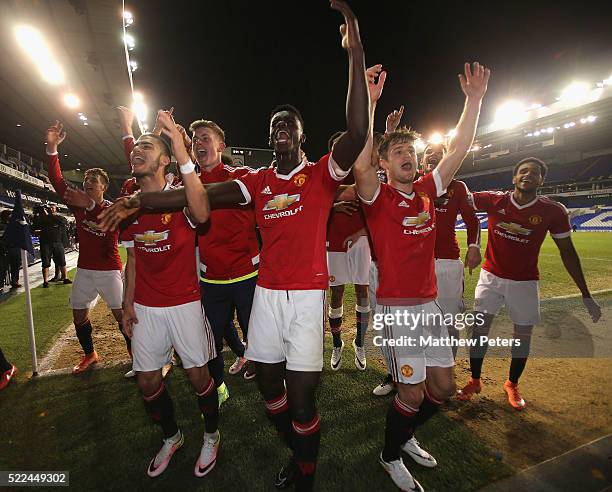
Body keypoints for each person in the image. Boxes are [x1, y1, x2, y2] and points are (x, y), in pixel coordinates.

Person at [99, 3, 369, 488]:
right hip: (265, 296)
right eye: (273, 127)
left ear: (303, 134)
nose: (280, 129)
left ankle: (304, 473)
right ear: (269, 140)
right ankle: (299, 449)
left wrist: (354, 50)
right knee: (269, 386)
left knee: (303, 398)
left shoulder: (322, 174)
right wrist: (140, 201)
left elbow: (358, 132)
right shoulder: (257, 181)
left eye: (288, 123)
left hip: (307, 298)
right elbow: (188, 196)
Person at [354, 62, 490, 491]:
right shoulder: (376, 196)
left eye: (410, 152)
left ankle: (406, 436)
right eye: (397, 152)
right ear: (384, 162)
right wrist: (371, 104)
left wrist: (474, 101)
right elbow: (358, 162)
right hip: (397, 310)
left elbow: (459, 149)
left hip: (429, 305)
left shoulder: (429, 191)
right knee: (410, 393)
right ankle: (390, 455)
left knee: (443, 388)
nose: (407, 156)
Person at [457, 157, 602, 410]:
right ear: (514, 178)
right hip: (490, 277)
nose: (528, 175)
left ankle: (512, 384)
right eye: (523, 171)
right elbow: (458, 194)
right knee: (478, 332)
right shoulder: (494, 200)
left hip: (524, 283)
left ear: (541, 180)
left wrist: (586, 294)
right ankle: (475, 379)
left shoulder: (553, 211)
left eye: (535, 172)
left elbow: (568, 252)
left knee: (522, 338)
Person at [120, 110, 220, 477]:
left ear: (164, 160)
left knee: (198, 376)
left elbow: (202, 213)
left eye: (146, 146)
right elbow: (131, 257)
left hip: (184, 302)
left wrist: (180, 147)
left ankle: (211, 435)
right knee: (147, 379)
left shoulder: (181, 195)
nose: (137, 150)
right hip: (146, 305)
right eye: (135, 146)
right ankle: (172, 436)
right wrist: (128, 303)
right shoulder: (128, 201)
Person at [45, 121, 129, 375]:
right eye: (85, 180)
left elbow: (109, 226)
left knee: (123, 318)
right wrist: (52, 148)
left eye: (94, 181)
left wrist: (91, 207)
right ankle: (90, 354)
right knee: (79, 316)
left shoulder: (114, 207)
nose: (88, 183)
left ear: (104, 187)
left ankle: (139, 356)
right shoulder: (78, 205)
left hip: (109, 270)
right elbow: (57, 180)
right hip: (85, 271)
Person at [189, 117, 260, 398]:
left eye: (205, 137)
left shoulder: (240, 174)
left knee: (258, 335)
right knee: (209, 341)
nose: (199, 143)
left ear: (221, 145)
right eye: (195, 140)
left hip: (247, 274)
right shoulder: (189, 182)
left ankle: (264, 375)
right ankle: (218, 386)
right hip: (212, 278)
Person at [34, 203, 70, 287]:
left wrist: (49, 215)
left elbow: (62, 222)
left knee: (62, 261)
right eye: (49, 208)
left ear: (55, 209)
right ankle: (45, 281)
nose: (51, 209)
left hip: (57, 242)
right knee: (46, 262)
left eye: (52, 208)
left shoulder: (58, 217)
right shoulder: (41, 218)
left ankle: (65, 278)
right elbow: (35, 227)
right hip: (45, 243)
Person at [0, 209, 22, 289]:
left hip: (15, 247)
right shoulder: (1, 225)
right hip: (4, 249)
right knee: (2, 267)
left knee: (16, 265)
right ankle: (1, 284)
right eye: (10, 215)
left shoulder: (15, 224)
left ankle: (15, 281)